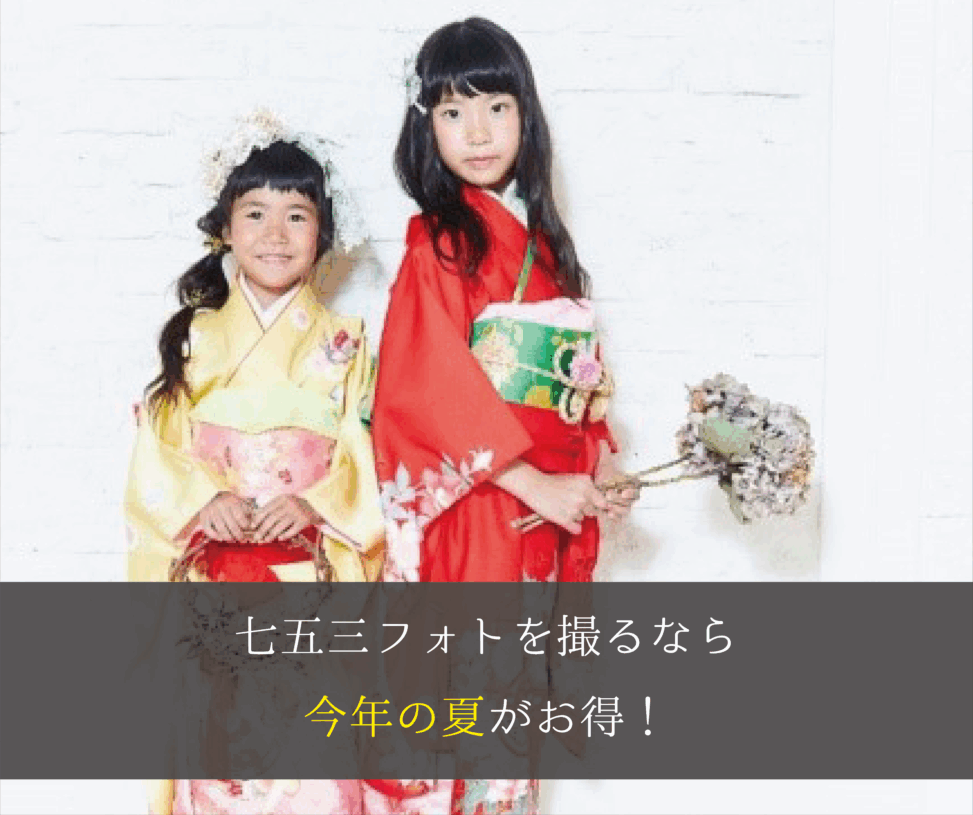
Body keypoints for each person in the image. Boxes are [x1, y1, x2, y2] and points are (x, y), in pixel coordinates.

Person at [369, 18, 638, 815]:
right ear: (426, 126)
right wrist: (533, 482)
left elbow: (572, 389)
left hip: (535, 514)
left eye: (495, 106)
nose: (478, 132)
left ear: (526, 114)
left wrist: (596, 467)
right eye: (452, 112)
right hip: (476, 509)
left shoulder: (545, 245)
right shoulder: (438, 245)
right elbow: (421, 389)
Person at [124, 111, 383, 815]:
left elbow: (365, 452)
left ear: (322, 233)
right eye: (256, 214)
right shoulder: (195, 337)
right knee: (218, 764)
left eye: (296, 216)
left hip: (309, 582)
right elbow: (156, 453)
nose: (275, 235)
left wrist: (317, 502)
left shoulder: (346, 342)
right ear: (226, 229)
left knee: (317, 774)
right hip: (215, 581)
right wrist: (201, 500)